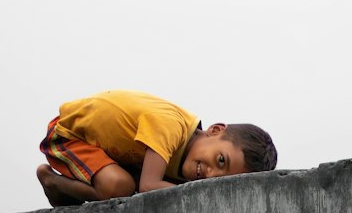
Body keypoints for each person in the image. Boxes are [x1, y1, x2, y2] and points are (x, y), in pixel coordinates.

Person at [36, 88, 277, 205]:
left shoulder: (188, 161)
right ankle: (53, 181)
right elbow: (149, 185)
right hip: (68, 135)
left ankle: (72, 192)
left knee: (131, 187)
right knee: (120, 186)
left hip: (110, 154)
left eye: (220, 180)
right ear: (215, 130)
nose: (211, 174)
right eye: (221, 160)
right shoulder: (170, 127)